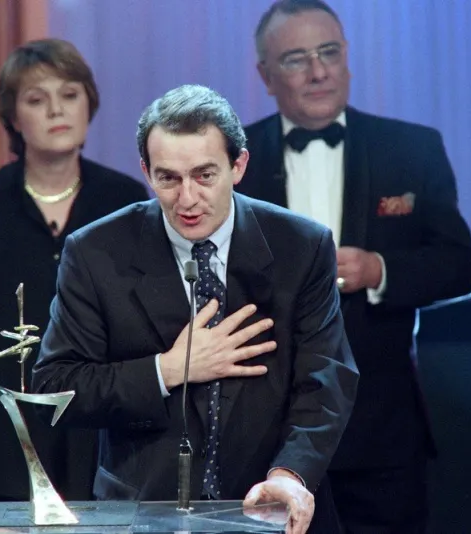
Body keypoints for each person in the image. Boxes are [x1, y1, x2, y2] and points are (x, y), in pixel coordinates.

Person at [31, 84, 359, 534]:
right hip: (143, 511)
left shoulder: (301, 247)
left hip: (269, 506)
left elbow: (325, 382)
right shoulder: (95, 253)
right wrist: (167, 370)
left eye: (205, 175)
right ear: (147, 172)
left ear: (237, 165)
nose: (187, 199)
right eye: (168, 178)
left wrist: (290, 474)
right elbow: (56, 388)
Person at [236, 1, 471, 532]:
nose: (319, 71)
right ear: (266, 75)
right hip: (265, 435)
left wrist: (379, 270)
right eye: (297, 59)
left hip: (383, 431)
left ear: (347, 56)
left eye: (329, 53)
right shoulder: (236, 160)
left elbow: (460, 266)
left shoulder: (411, 148)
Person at [0, 38, 150, 503]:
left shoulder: (130, 206)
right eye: (36, 99)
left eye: (69, 94)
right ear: (12, 117)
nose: (56, 110)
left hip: (103, 439)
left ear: (89, 103)